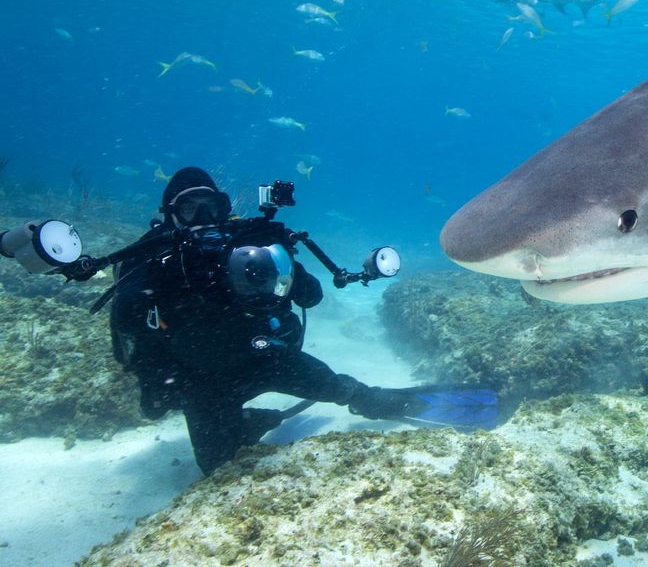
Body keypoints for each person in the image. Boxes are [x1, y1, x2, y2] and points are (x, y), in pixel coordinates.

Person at [108, 167, 495, 474]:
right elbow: (125, 316)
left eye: (212, 206)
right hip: (199, 381)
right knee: (217, 468)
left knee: (345, 389)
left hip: (265, 360)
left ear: (225, 207)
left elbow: (311, 295)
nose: (205, 217)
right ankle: (251, 421)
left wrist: (279, 256)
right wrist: (165, 272)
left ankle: (382, 402)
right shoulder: (154, 257)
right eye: (190, 209)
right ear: (170, 216)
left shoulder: (250, 247)